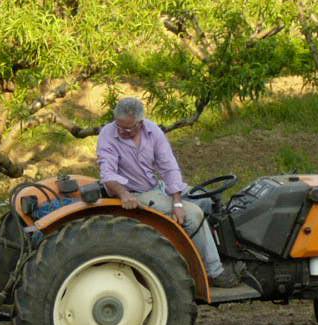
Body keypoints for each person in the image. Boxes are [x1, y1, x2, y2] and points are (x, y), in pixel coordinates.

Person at [97, 97, 239, 288]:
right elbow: (108, 174)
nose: (122, 131)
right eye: (120, 127)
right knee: (193, 215)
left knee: (208, 201)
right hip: (136, 193)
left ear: (140, 122)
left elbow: (169, 167)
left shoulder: (152, 130)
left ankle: (228, 255)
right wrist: (123, 194)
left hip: (157, 186)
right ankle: (214, 272)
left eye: (128, 129)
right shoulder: (108, 134)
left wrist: (177, 202)